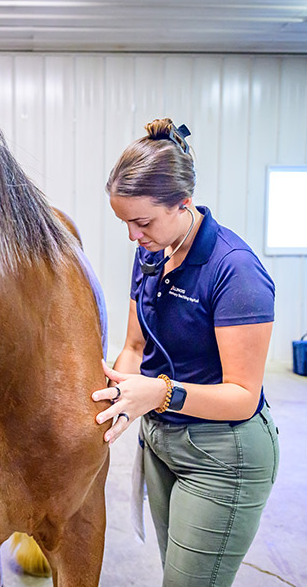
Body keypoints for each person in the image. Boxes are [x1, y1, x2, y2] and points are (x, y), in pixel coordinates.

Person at [92, 118, 279, 587]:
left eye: (142, 222)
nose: (133, 237)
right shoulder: (152, 251)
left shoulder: (235, 271)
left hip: (223, 451)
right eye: (125, 223)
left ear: (183, 204)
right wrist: (110, 399)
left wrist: (156, 394)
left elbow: (242, 396)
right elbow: (134, 346)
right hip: (162, 442)